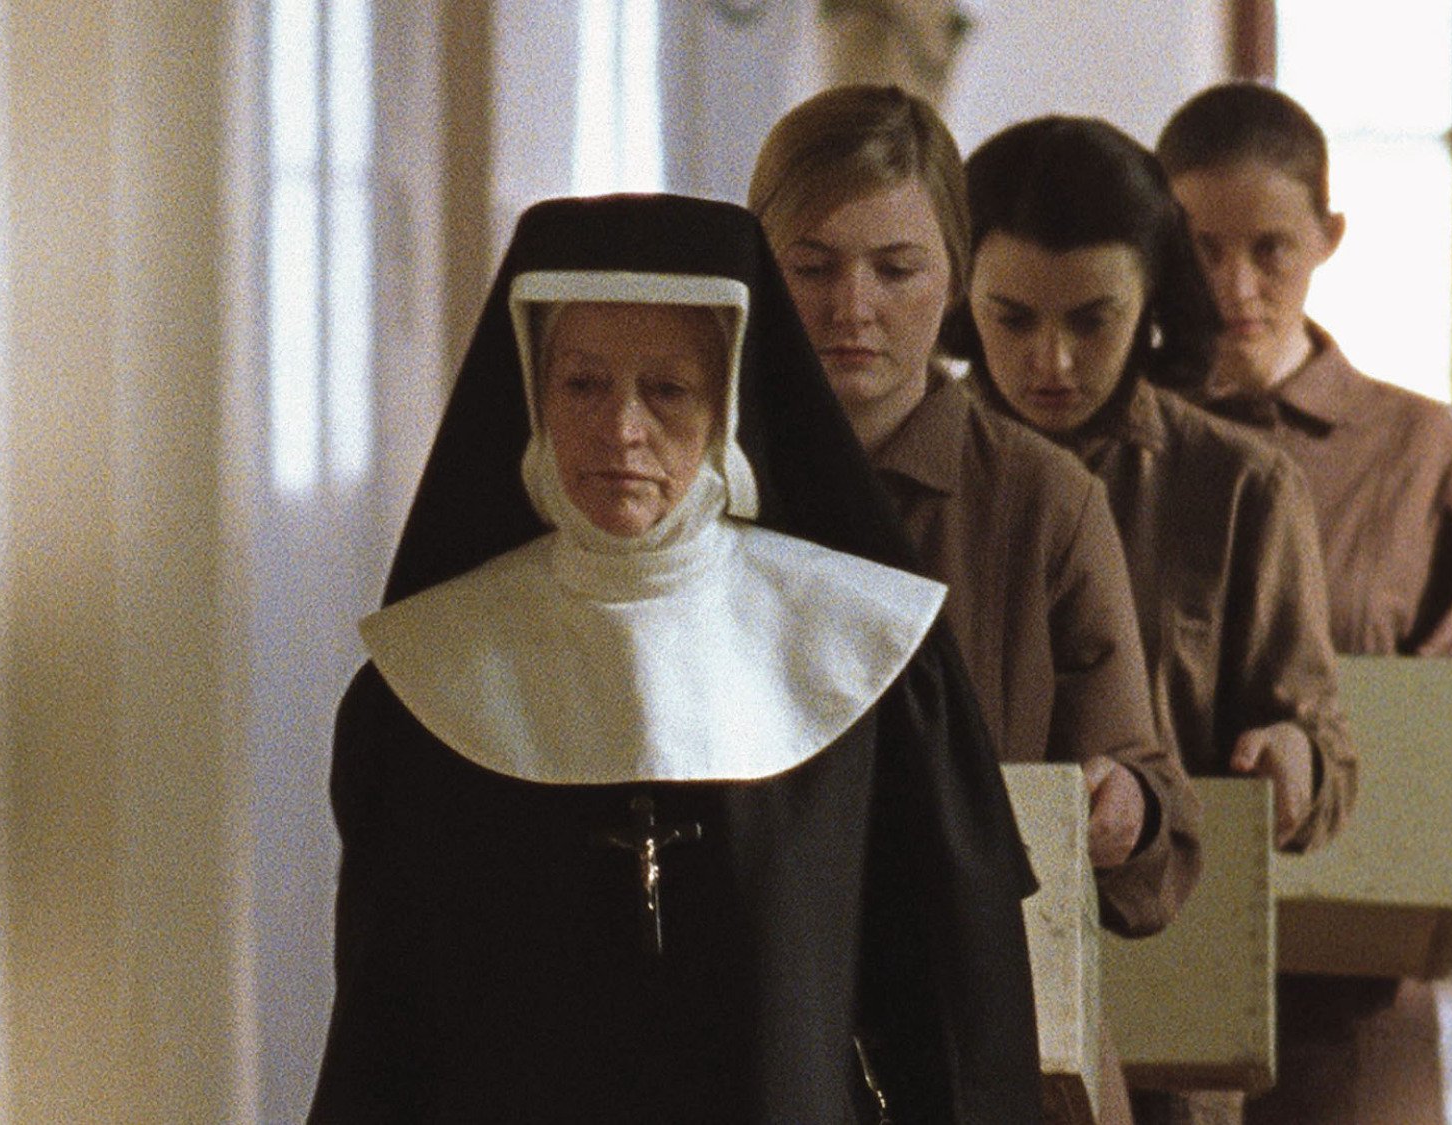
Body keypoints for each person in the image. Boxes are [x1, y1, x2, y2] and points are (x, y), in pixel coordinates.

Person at [307, 193, 1043, 1123]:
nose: (621, 430)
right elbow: (382, 1030)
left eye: (668, 390)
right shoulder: (425, 679)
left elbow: (960, 1013)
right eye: (582, 385)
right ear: (532, 392)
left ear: (730, 402)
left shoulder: (869, 656)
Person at [750, 84, 1202, 1125]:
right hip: (769, 1029)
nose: (848, 307)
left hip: (993, 1045)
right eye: (810, 266)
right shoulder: (705, 482)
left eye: (894, 268)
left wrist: (1121, 809)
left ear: (952, 275)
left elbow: (1155, 802)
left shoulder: (1040, 500)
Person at [1157, 81, 1452, 1124]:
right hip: (1154, 951)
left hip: (1351, 970)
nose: (1231, 285)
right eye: (1198, 247)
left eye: (1268, 249)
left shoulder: (1411, 442)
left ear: (1327, 237)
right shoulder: (1122, 443)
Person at [953, 115, 1360, 1125]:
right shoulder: (911, 479)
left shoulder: (1235, 486)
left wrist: (1293, 764)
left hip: (1165, 998)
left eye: (1092, 321)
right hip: (954, 995)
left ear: (1152, 307)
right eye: (1010, 319)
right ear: (960, 299)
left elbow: (1325, 745)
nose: (1049, 361)